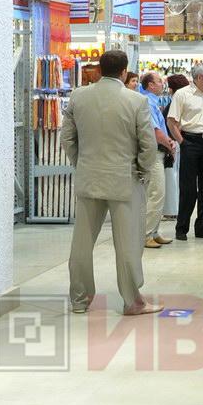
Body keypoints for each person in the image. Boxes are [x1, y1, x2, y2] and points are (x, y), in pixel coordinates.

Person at [61, 50, 160, 315]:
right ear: (124, 72)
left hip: (89, 177)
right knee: (128, 244)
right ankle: (133, 301)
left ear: (99, 69)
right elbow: (148, 144)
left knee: (82, 243)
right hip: (124, 180)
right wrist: (142, 170)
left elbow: (67, 138)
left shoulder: (78, 96)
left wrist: (82, 163)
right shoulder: (136, 100)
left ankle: (79, 299)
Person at [167, 63, 203, 240]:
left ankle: (202, 227)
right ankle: (182, 228)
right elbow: (171, 121)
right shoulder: (182, 94)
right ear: (199, 78)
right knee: (188, 188)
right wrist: (182, 142)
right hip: (190, 140)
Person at [140, 73, 175, 248]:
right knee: (156, 193)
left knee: (157, 193)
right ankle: (146, 234)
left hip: (157, 153)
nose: (163, 83)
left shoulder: (152, 101)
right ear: (150, 85)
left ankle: (153, 232)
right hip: (154, 153)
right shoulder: (147, 102)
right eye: (159, 81)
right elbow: (155, 130)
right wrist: (169, 144)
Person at [162, 74, 190, 219]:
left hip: (173, 143)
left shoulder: (175, 103)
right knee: (177, 178)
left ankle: (172, 210)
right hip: (180, 142)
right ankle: (175, 208)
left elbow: (172, 124)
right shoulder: (187, 102)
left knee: (171, 178)